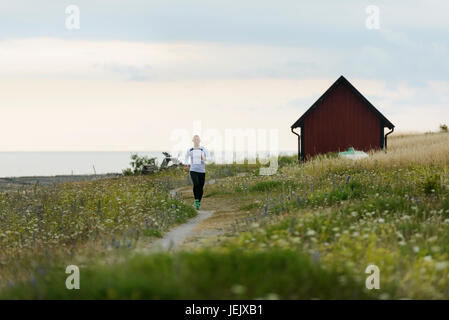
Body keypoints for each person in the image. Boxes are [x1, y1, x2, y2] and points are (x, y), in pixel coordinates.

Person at [184, 135, 211, 210]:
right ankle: (196, 201)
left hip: (202, 171)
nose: (196, 140)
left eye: (197, 139)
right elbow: (186, 157)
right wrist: (186, 165)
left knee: (201, 187)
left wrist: (204, 158)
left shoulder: (203, 149)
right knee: (196, 184)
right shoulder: (190, 150)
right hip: (193, 170)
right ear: (193, 140)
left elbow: (209, 157)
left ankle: (198, 202)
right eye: (195, 139)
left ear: (199, 141)